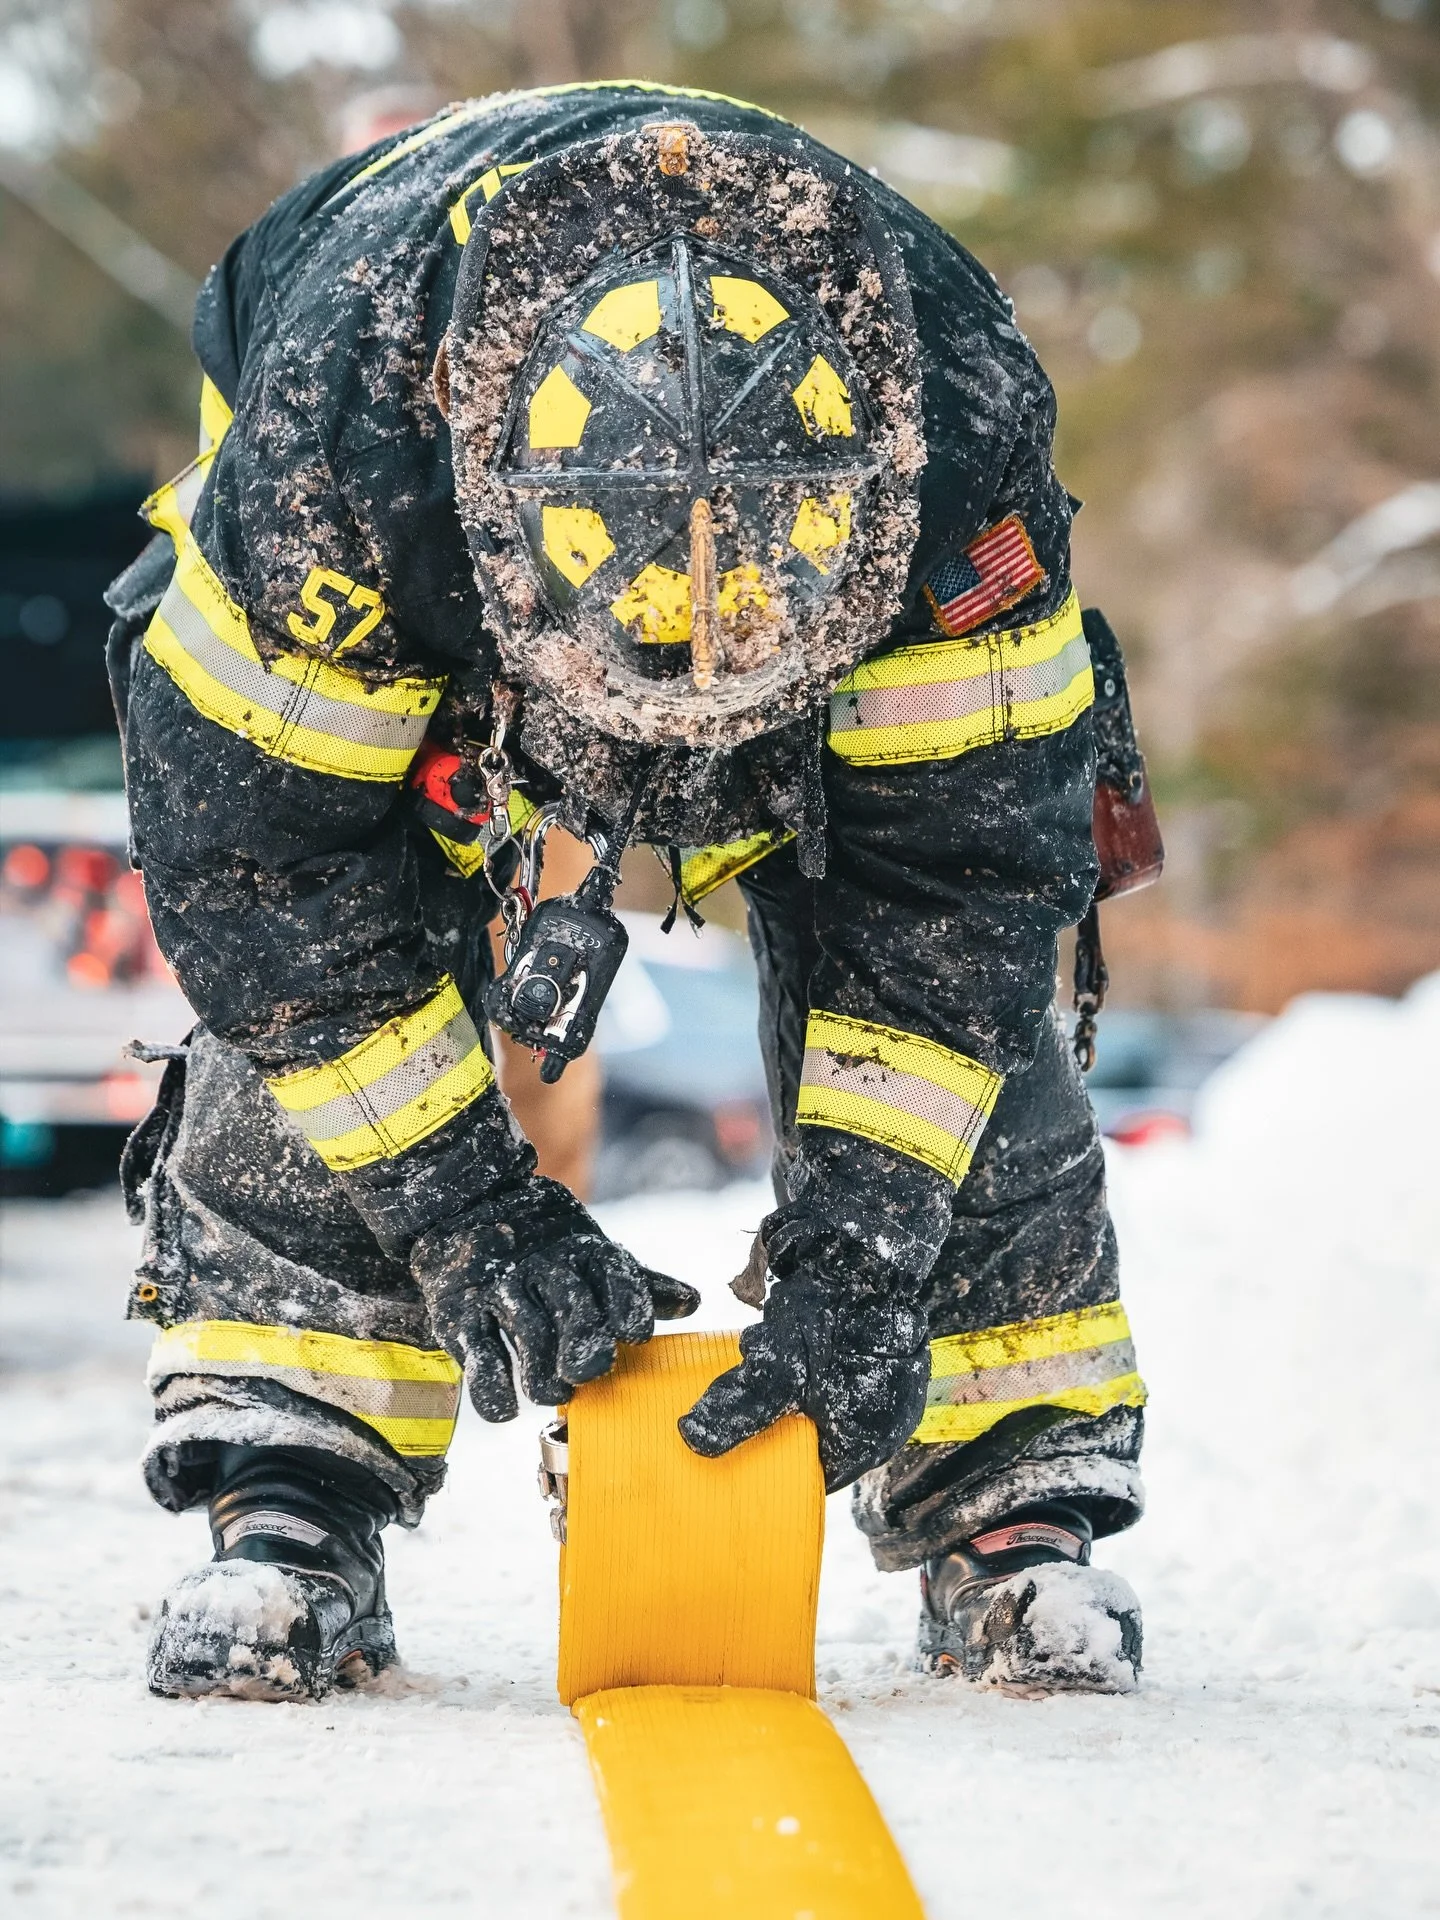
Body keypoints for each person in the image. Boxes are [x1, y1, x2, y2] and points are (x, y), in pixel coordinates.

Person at [105, 82, 1147, 1703]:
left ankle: (1008, 1509)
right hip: (399, 505)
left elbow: (957, 898)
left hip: (855, 587)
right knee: (328, 977)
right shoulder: (340, 446)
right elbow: (267, 880)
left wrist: (866, 1252)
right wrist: (469, 1213)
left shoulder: (960, 444)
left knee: (967, 1008)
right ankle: (290, 1488)